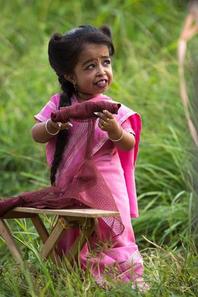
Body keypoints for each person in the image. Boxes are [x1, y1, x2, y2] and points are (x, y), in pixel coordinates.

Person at [32, 25, 145, 289]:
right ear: (70, 75)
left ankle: (122, 279)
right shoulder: (61, 105)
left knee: (112, 230)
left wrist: (115, 130)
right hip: (73, 186)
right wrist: (53, 126)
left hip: (109, 186)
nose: (101, 71)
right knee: (74, 230)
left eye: (105, 62)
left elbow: (128, 143)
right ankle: (78, 276)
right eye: (90, 66)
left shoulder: (112, 108)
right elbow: (37, 133)